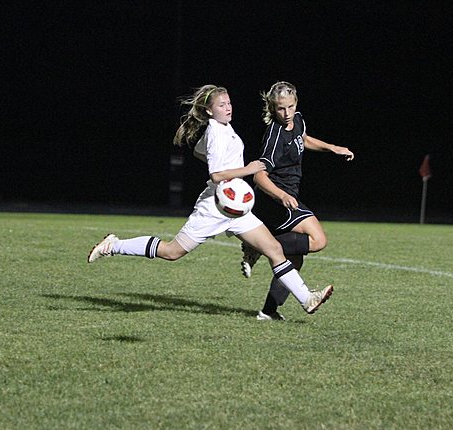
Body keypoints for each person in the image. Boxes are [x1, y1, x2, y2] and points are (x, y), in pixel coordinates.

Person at [87, 84, 333, 315]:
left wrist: (236, 174)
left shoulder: (224, 128)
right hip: (214, 207)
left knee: (274, 249)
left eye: (228, 103)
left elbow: (198, 152)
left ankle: (307, 299)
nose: (228, 108)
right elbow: (216, 175)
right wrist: (248, 169)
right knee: (172, 252)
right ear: (209, 110)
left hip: (236, 207)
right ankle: (114, 245)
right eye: (221, 105)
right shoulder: (216, 132)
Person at [240, 81, 353, 321]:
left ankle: (268, 311)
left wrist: (332, 148)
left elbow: (303, 139)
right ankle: (260, 245)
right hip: (275, 202)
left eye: (290, 106)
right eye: (280, 108)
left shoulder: (297, 119)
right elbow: (259, 175)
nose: (286, 113)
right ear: (273, 108)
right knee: (318, 240)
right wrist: (281, 195)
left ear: (296, 103)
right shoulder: (274, 134)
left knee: (295, 259)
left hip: (288, 197)